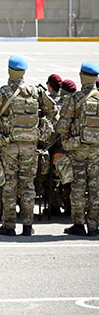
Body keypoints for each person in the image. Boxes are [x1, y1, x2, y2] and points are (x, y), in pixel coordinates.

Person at [0, 55, 57, 237]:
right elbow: (53, 111)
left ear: (9, 71)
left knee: (9, 185)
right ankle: (27, 225)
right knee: (28, 185)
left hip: (8, 145)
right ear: (24, 72)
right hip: (30, 146)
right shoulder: (36, 92)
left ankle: (8, 226)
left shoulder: (1, 93)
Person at [56, 62, 99, 237]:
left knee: (78, 188)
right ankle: (94, 225)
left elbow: (61, 127)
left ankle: (79, 224)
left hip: (78, 150)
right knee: (96, 189)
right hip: (97, 151)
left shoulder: (73, 99)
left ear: (82, 76)